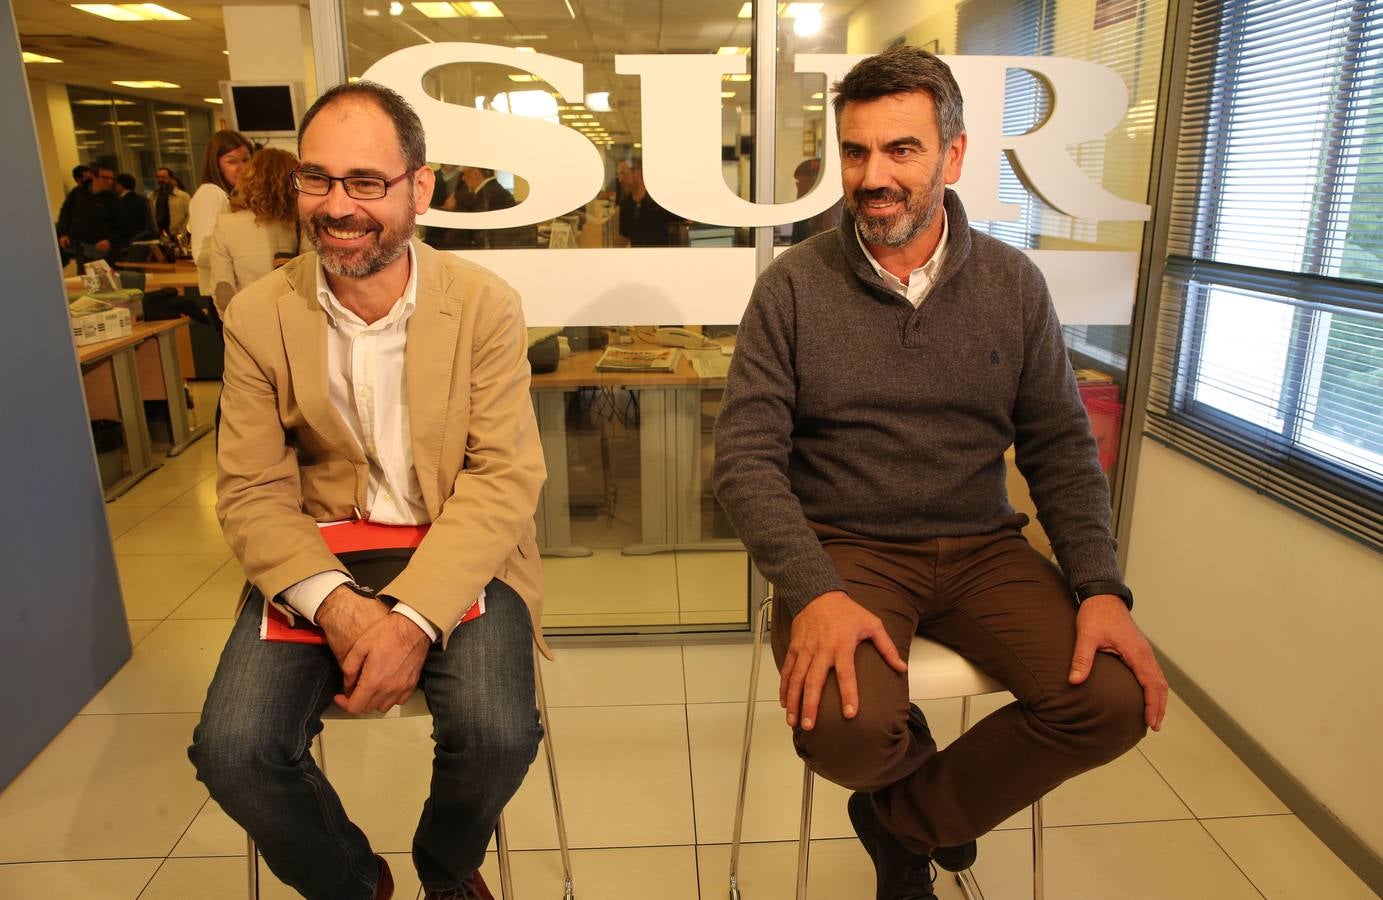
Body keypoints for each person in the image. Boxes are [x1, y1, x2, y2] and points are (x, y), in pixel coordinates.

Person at [713, 46, 1167, 900]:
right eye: (855, 152)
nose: (871, 176)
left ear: (953, 156)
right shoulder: (792, 288)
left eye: (901, 150)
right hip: (847, 548)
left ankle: (909, 820)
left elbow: (1061, 450)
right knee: (849, 732)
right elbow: (743, 459)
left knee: (1111, 700)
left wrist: (1101, 587)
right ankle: (921, 790)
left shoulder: (1013, 285)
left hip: (982, 547)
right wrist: (812, 589)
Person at [188, 80, 547, 900]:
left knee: (497, 735)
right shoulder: (257, 314)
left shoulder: (483, 306)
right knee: (233, 750)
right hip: (318, 554)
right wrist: (345, 611)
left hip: (456, 546)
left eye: (365, 182)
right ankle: (357, 885)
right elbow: (248, 490)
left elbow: (503, 476)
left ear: (419, 187)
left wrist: (410, 621)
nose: (336, 206)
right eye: (318, 179)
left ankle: (445, 870)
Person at [207, 147, 300, 317]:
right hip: (296, 322)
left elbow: (223, 288)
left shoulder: (226, 225)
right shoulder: (304, 224)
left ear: (249, 180)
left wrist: (235, 325)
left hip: (249, 321)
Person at [187, 130, 253, 297]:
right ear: (216, 165)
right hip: (221, 297)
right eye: (232, 162)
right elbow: (200, 255)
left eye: (246, 159)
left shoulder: (234, 196)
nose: (242, 168)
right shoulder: (210, 193)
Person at [56, 165, 118, 271]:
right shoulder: (77, 193)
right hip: (81, 243)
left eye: (111, 179)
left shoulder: (111, 198)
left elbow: (120, 223)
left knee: (106, 277)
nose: (109, 182)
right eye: (105, 178)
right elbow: (66, 212)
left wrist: (111, 240)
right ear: (95, 177)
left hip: (103, 245)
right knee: (84, 276)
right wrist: (63, 233)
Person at [616, 157, 682, 246]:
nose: (620, 180)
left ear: (638, 173)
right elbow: (624, 236)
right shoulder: (625, 204)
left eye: (623, 174)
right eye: (619, 175)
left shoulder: (660, 200)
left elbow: (684, 223)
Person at [112, 173, 157, 258]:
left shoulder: (119, 203)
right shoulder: (144, 200)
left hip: (127, 242)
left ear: (119, 185)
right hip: (145, 240)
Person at [149, 166, 191, 243]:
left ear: (171, 178)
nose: (160, 180)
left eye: (163, 177)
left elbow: (189, 216)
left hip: (178, 236)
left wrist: (181, 233)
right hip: (160, 237)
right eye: (158, 177)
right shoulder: (152, 196)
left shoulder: (183, 196)